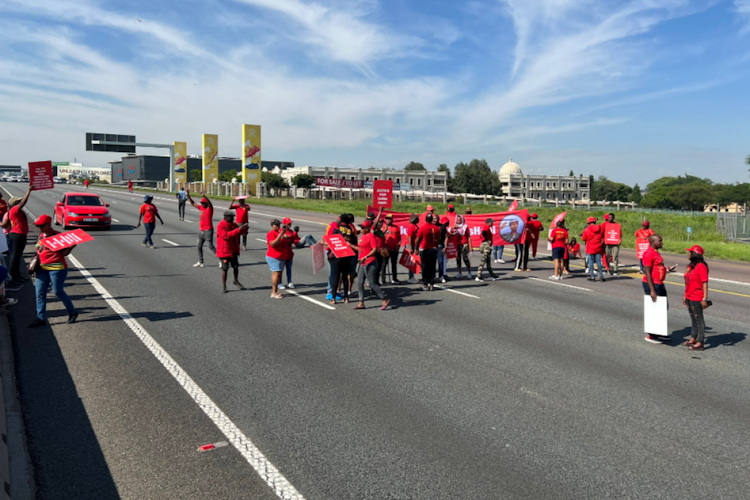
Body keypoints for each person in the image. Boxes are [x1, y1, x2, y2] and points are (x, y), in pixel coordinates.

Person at [29, 214, 78, 327]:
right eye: (37, 226)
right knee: (39, 293)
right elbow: (39, 250)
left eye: (41, 225)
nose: (39, 228)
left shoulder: (58, 236)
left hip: (57, 268)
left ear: (48, 225)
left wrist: (70, 247)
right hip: (42, 268)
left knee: (57, 291)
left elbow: (64, 253)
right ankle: (40, 318)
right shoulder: (41, 236)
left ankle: (72, 312)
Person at [643, 234, 676, 344]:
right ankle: (651, 335)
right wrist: (652, 290)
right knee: (655, 308)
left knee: (661, 307)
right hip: (653, 284)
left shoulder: (655, 252)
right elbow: (647, 272)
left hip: (659, 283)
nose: (662, 242)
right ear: (653, 242)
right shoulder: (649, 253)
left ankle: (658, 332)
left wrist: (666, 269)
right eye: (660, 241)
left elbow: (657, 267)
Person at [352, 220, 390, 310]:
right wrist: (350, 245)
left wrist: (365, 257)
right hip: (362, 263)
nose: (360, 229)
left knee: (372, 283)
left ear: (367, 229)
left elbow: (374, 249)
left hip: (370, 262)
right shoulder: (363, 236)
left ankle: (385, 299)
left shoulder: (371, 236)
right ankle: (361, 303)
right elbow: (360, 248)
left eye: (362, 228)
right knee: (360, 283)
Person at [2, 184, 33, 287]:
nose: (20, 202)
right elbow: (23, 202)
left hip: (20, 235)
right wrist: (29, 191)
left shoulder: (18, 212)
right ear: (15, 204)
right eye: (18, 201)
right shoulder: (14, 210)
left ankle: (17, 275)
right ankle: (13, 277)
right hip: (17, 235)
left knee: (17, 256)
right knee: (14, 257)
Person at [682, 245, 709, 351]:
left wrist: (705, 299)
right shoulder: (690, 266)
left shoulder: (701, 266)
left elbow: (705, 283)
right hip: (689, 295)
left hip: (697, 297)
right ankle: (693, 338)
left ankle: (700, 342)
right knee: (693, 317)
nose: (688, 254)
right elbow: (688, 282)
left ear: (695, 254)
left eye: (690, 252)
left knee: (699, 319)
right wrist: (685, 295)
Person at [217, 210, 248, 293]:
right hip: (225, 251)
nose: (233, 218)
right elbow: (226, 236)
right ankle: (224, 286)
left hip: (233, 249)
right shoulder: (221, 225)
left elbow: (239, 232)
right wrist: (238, 230)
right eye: (231, 217)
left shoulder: (233, 224)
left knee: (236, 267)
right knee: (225, 269)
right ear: (226, 217)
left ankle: (235, 280)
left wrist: (244, 229)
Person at [187, 191, 216, 268]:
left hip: (208, 230)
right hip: (201, 231)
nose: (202, 204)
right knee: (199, 246)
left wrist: (204, 196)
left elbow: (210, 203)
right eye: (201, 203)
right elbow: (193, 203)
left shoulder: (210, 209)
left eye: (203, 203)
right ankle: (201, 261)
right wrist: (188, 196)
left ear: (206, 203)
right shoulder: (201, 208)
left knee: (210, 246)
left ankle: (221, 259)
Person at [415, 214, 441, 290]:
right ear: (432, 219)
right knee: (432, 267)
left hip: (425, 249)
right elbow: (439, 238)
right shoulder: (436, 228)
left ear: (425, 219)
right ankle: (432, 283)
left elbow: (417, 240)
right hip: (433, 249)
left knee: (425, 267)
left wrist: (416, 248)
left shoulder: (422, 228)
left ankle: (426, 284)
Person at [266, 219, 288, 299]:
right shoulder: (271, 233)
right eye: (276, 225)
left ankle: (276, 291)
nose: (278, 226)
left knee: (279, 274)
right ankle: (273, 292)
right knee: (276, 274)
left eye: (279, 224)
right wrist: (280, 235)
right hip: (274, 257)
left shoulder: (278, 232)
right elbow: (273, 244)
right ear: (272, 225)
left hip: (281, 257)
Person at [582, 217, 605, 282]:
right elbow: (602, 236)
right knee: (599, 262)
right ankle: (601, 276)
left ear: (588, 223)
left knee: (591, 262)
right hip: (598, 247)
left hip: (590, 248)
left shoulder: (586, 230)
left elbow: (584, 238)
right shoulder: (600, 228)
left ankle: (592, 277)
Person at [382, 214, 401, 284]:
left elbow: (399, 237)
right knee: (384, 264)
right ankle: (383, 279)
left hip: (394, 249)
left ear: (392, 219)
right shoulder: (383, 227)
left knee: (394, 264)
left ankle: (394, 278)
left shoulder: (396, 227)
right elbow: (380, 237)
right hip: (386, 249)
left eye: (389, 219)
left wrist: (398, 245)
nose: (388, 220)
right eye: (387, 219)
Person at [452, 215, 472, 279]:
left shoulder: (465, 227)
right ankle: (459, 273)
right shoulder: (454, 227)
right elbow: (449, 234)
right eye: (457, 220)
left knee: (465, 258)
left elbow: (468, 237)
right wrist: (453, 228)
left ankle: (469, 272)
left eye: (460, 220)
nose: (458, 221)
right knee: (458, 259)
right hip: (457, 245)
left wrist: (470, 246)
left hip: (464, 244)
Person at [279, 217, 296, 290]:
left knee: (289, 268)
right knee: (280, 269)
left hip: (289, 253)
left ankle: (289, 282)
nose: (290, 224)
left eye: (290, 223)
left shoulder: (291, 231)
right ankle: (279, 282)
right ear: (284, 224)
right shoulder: (280, 231)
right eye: (288, 223)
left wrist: (290, 240)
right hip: (282, 253)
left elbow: (293, 240)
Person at [406, 214, 420, 284]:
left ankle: (412, 276)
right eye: (417, 218)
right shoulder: (412, 226)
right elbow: (410, 237)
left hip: (414, 245)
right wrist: (411, 248)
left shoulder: (415, 226)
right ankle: (410, 277)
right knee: (412, 262)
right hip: (412, 245)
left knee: (414, 262)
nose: (418, 219)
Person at [436, 216, 450, 283]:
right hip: (432, 247)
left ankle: (441, 276)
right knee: (432, 262)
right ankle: (432, 276)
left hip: (440, 246)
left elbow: (446, 237)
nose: (435, 220)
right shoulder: (431, 226)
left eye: (436, 219)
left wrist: (445, 246)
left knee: (440, 261)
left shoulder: (442, 227)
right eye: (433, 219)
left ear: (438, 219)